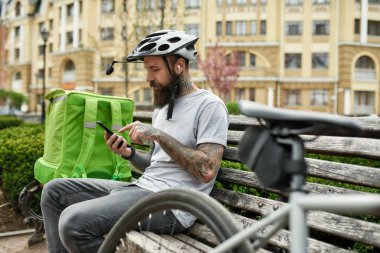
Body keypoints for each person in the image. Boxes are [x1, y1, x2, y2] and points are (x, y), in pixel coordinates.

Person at [40, 30, 229, 253]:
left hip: (174, 205)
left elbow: (207, 169)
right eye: (147, 69)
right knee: (54, 192)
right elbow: (155, 165)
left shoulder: (209, 106)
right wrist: (128, 153)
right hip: (143, 189)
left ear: (179, 66)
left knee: (73, 222)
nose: (148, 77)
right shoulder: (163, 107)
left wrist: (158, 134)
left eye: (155, 69)